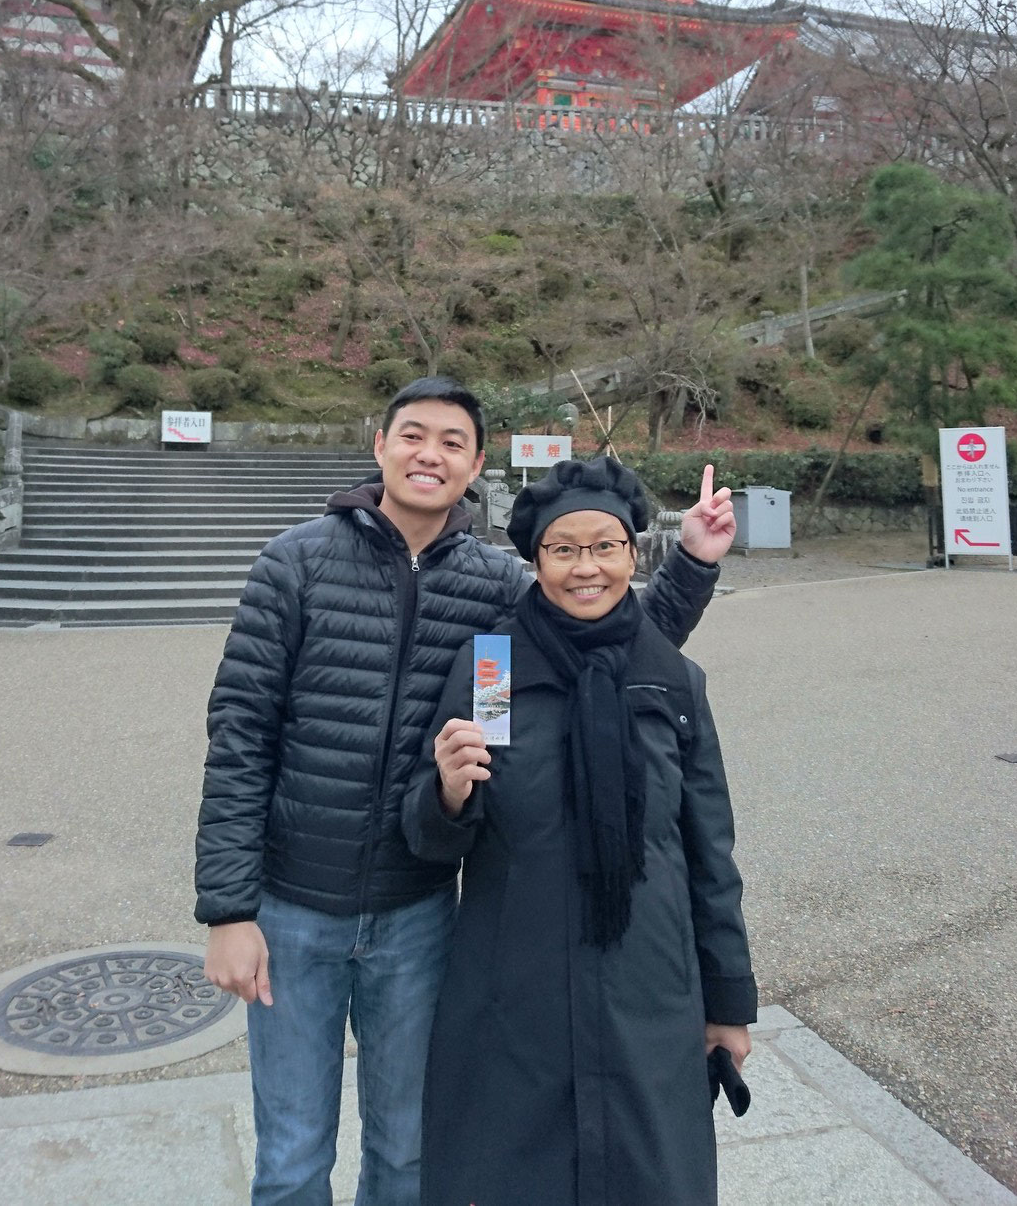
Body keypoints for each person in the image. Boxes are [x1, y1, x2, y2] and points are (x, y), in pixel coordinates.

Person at [195, 377, 735, 1206]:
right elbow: (240, 734)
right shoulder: (296, 561)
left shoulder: (492, 587)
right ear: (379, 444)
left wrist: (693, 563)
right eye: (414, 435)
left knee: (411, 1151)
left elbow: (605, 639)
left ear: (477, 464)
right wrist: (229, 910)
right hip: (297, 902)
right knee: (294, 1155)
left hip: (418, 912)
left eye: (453, 442)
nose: (430, 454)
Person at [404, 455, 750, 1206]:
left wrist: (728, 1005)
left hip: (650, 987)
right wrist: (449, 793)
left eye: (605, 547)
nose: (585, 568)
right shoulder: (493, 667)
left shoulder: (666, 675)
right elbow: (436, 837)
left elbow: (708, 852)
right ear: (535, 561)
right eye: (563, 550)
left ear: (634, 553)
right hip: (515, 986)